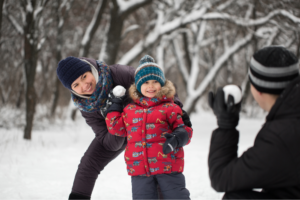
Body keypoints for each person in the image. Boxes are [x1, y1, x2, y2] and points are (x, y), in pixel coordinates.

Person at [56, 56, 192, 199]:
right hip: (119, 131)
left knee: (156, 166)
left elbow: (158, 84)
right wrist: (113, 116)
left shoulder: (119, 74)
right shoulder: (86, 106)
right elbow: (108, 142)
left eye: (84, 76)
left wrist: (178, 111)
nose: (84, 85)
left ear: (91, 70)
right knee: (88, 163)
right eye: (76, 85)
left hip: (151, 123)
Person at [208, 45, 300, 199]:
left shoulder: (282, 135)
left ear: (258, 90)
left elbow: (222, 177)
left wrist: (225, 125)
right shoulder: (291, 118)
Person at [104, 55, 193, 200]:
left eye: (155, 82)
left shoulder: (170, 107)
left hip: (168, 166)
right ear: (138, 86)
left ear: (162, 84)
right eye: (145, 82)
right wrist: (115, 104)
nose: (150, 86)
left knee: (177, 196)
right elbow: (115, 127)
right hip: (139, 170)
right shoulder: (130, 110)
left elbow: (185, 131)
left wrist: (177, 139)